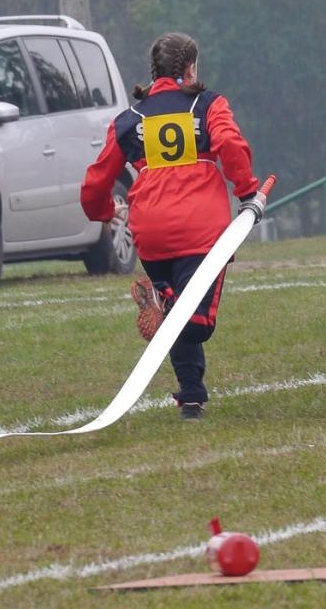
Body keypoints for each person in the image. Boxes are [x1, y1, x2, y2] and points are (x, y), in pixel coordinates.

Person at [80, 32, 260, 421]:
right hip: (201, 231)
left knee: (178, 303)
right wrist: (247, 190)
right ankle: (166, 309)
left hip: (151, 233)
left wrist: (101, 212)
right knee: (197, 322)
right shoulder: (208, 104)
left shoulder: (130, 119)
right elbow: (229, 144)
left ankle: (191, 395)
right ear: (192, 67)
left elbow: (97, 178)